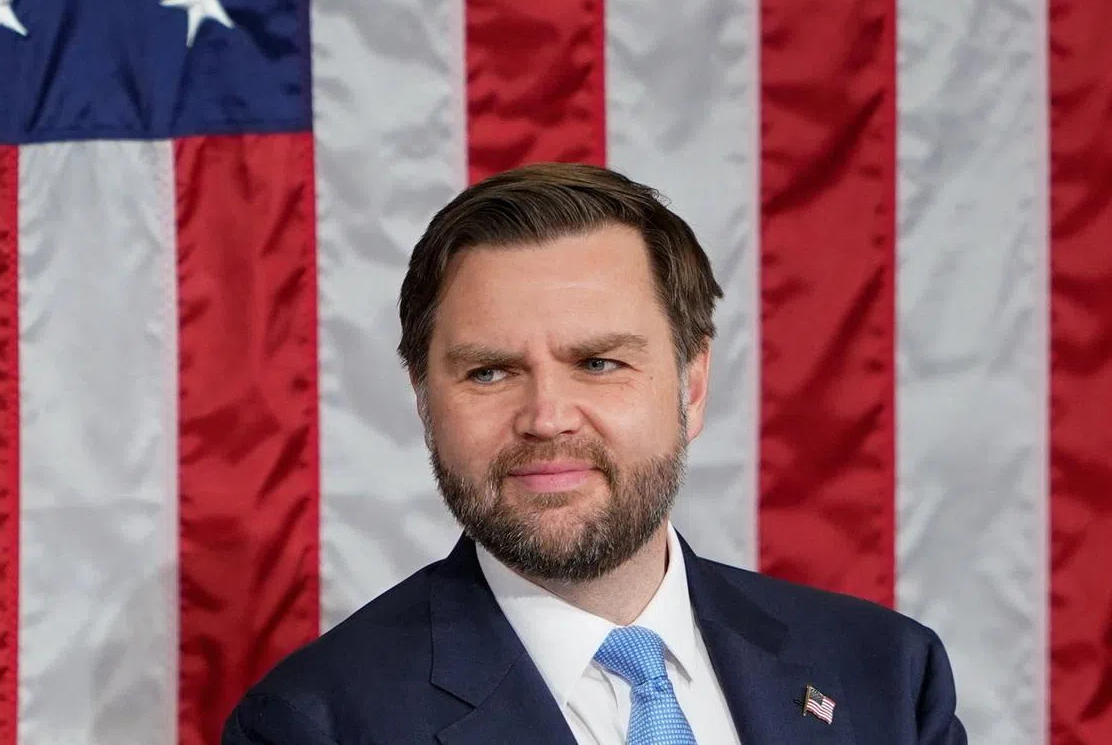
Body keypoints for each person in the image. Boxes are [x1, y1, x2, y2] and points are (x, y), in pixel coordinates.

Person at [223, 163, 966, 744]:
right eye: (490, 372)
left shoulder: (887, 674)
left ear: (693, 385)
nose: (547, 419)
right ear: (424, 400)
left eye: (599, 363)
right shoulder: (314, 724)